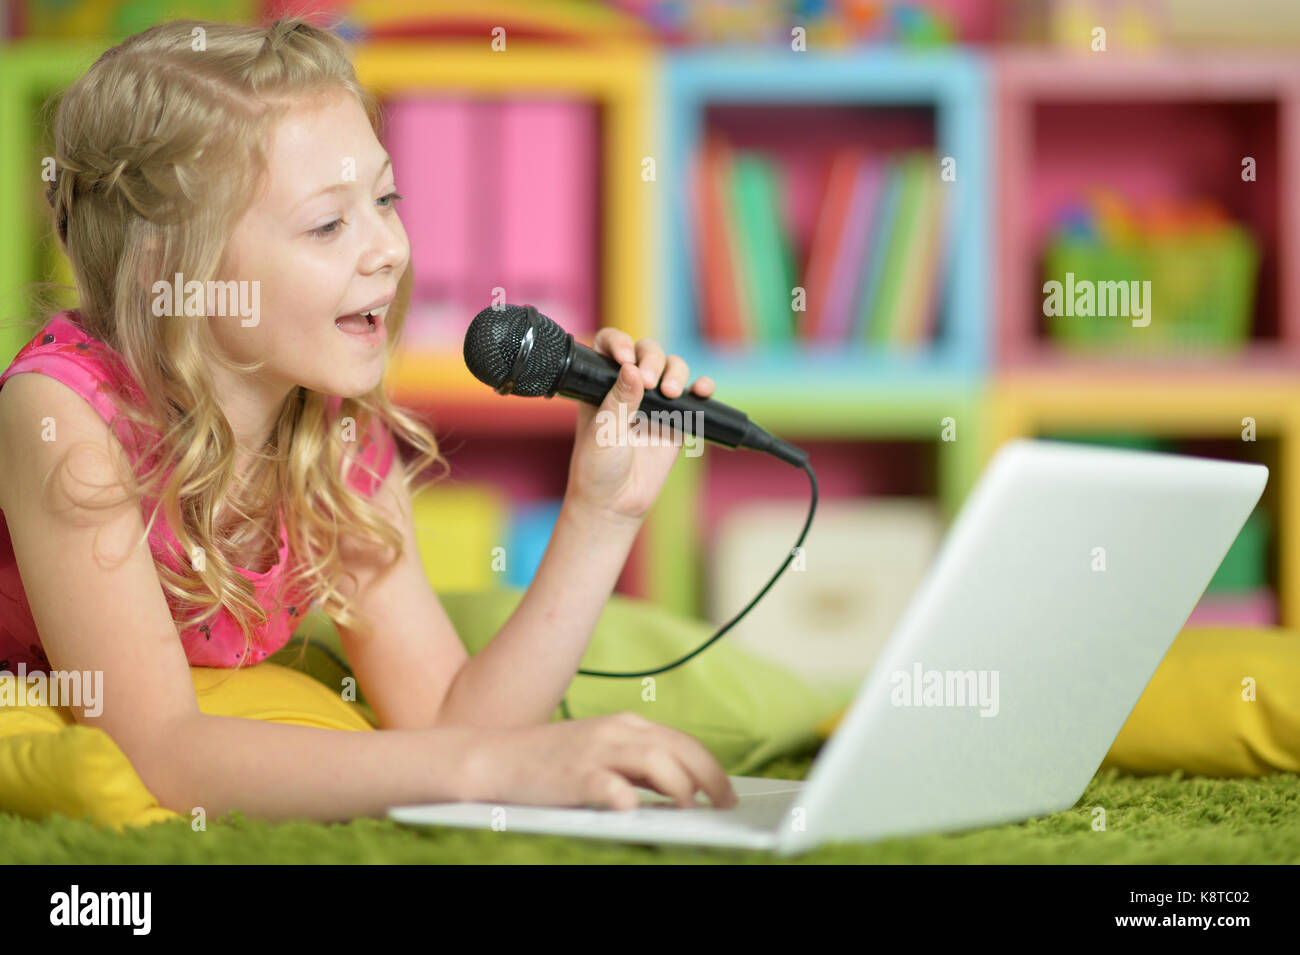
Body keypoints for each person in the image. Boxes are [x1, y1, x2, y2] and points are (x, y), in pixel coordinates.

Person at [0, 17, 738, 823]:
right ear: (170, 269)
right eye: (328, 223)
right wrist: (486, 764)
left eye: (386, 199)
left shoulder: (330, 427)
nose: (391, 247)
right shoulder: (61, 415)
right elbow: (162, 752)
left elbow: (451, 719)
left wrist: (602, 513)